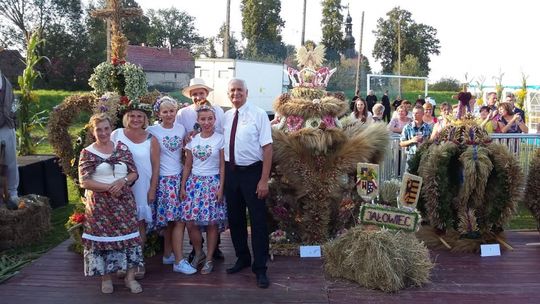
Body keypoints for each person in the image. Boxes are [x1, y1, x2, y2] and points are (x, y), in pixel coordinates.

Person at [78, 113, 143, 294]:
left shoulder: (122, 148)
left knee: (130, 240)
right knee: (102, 242)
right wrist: (108, 187)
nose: (104, 132)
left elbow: (133, 173)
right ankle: (106, 279)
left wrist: (123, 182)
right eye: (99, 129)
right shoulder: (87, 153)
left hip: (123, 203)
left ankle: (130, 278)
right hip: (99, 206)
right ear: (93, 132)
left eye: (106, 128)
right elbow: (85, 181)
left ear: (111, 129)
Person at [224, 78, 272, 289]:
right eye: (232, 91)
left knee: (258, 222)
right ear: (228, 93)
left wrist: (263, 180)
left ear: (247, 92)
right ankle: (242, 257)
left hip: (253, 173)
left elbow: (268, 149)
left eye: (239, 90)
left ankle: (260, 268)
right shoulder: (226, 117)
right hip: (231, 173)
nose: (236, 94)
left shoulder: (258, 114)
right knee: (235, 219)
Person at [177, 77, 225, 261]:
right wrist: (190, 137)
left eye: (201, 93)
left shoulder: (217, 110)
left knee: (213, 215)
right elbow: (181, 134)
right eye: (194, 93)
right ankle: (196, 249)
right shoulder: (183, 113)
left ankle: (215, 248)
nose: (198, 96)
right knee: (193, 216)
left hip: (212, 159)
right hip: (194, 159)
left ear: (206, 94)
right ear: (190, 96)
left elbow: (220, 131)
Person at [146, 96, 196, 274]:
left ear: (176, 112)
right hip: (164, 180)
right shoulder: (153, 130)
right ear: (159, 114)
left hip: (179, 177)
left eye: (172, 111)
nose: (169, 114)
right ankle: (178, 260)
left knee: (175, 221)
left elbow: (185, 147)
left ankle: (168, 254)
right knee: (175, 221)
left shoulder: (181, 128)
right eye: (165, 111)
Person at [111, 104, 160, 279]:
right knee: (121, 225)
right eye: (132, 116)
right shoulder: (116, 134)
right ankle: (123, 263)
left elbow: (156, 167)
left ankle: (137, 262)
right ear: (127, 117)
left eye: (140, 116)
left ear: (145, 119)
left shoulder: (151, 139)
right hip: (120, 186)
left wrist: (152, 189)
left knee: (139, 225)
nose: (136, 119)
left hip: (142, 186)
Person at [0, 67, 19, 209]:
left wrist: (12, 116)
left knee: (10, 161)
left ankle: (13, 194)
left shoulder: (4, 79)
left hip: (7, 125)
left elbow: (12, 101)